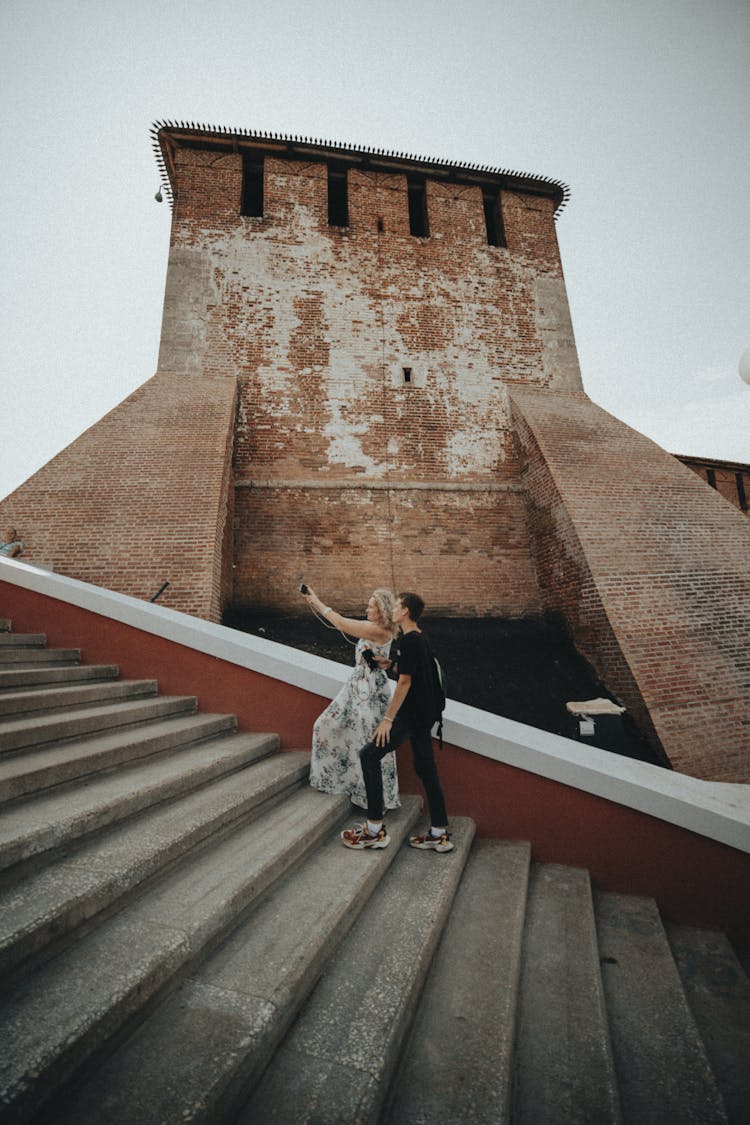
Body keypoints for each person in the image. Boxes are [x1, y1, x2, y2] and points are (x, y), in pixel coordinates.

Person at [341, 591, 453, 853]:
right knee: (427, 770)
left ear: (404, 612)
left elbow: (405, 681)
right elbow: (409, 668)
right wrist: (390, 663)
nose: (392, 610)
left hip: (410, 716)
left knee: (369, 755)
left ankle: (374, 830)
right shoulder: (420, 637)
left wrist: (387, 720)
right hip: (425, 717)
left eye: (397, 606)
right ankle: (439, 832)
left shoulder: (410, 641)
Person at [303, 585, 400, 813]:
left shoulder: (377, 630)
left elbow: (341, 623)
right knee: (326, 726)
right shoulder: (377, 629)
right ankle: (347, 783)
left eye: (371, 606)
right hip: (356, 687)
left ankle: (372, 798)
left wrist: (316, 600)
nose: (366, 609)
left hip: (369, 692)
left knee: (367, 742)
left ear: (381, 611)